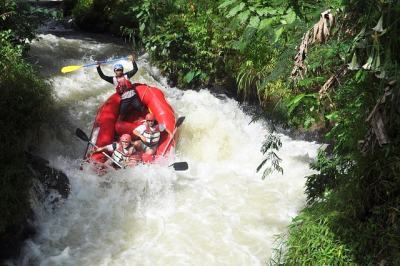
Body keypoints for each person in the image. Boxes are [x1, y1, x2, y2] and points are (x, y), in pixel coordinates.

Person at [96, 53, 145, 120]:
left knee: (140, 108)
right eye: (117, 70)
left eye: (120, 70)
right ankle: (119, 125)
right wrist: (98, 67)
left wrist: (133, 61)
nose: (119, 71)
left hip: (133, 96)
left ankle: (149, 120)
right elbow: (103, 76)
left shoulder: (127, 75)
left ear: (122, 70)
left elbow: (135, 69)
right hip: (125, 99)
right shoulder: (113, 79)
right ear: (115, 71)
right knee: (122, 114)